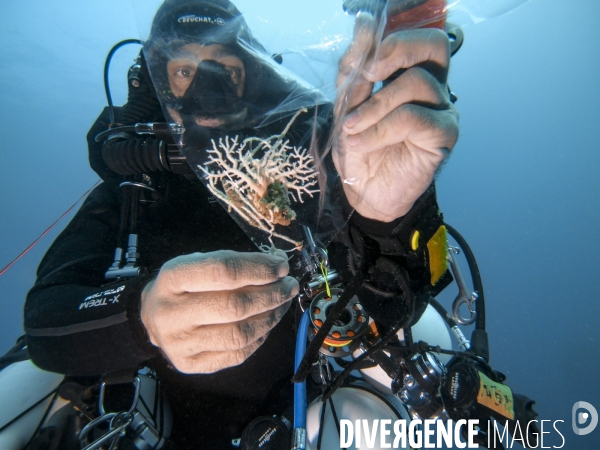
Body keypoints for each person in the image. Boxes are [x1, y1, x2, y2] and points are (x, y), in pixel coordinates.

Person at [23, 0, 458, 447]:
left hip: (292, 413)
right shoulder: (133, 193)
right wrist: (141, 316)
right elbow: (43, 322)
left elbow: (393, 309)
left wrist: (388, 219)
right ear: (158, 85)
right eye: (184, 71)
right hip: (137, 421)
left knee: (373, 405)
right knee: (22, 382)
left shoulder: (312, 174)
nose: (205, 88)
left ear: (252, 76)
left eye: (225, 69)